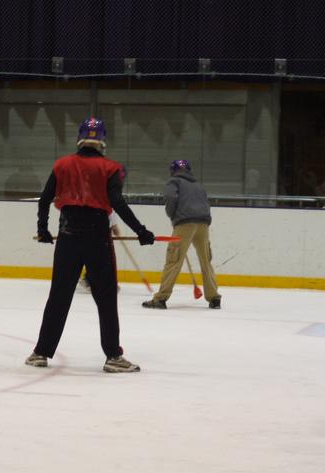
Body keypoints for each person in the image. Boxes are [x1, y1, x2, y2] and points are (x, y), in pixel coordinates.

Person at [25, 117, 156, 373]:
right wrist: (141, 231)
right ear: (103, 141)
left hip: (67, 236)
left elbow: (44, 199)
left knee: (59, 296)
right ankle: (113, 356)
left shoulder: (62, 165)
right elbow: (117, 203)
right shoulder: (110, 168)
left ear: (79, 139)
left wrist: (43, 230)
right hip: (97, 238)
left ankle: (40, 352)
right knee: (106, 298)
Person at [142, 159, 221, 309]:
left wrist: (173, 215)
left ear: (173, 170)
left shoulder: (173, 182)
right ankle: (214, 298)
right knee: (206, 261)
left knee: (173, 260)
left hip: (184, 223)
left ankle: (161, 298)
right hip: (203, 224)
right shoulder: (198, 185)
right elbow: (206, 203)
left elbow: (170, 197)